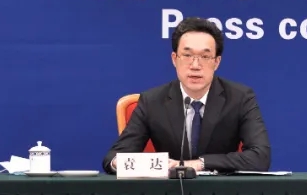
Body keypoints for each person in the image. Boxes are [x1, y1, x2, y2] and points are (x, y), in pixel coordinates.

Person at [102, 17, 271, 174]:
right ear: (174, 59)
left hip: (221, 192)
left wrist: (199, 164)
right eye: (187, 55)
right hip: (168, 192)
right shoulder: (152, 101)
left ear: (216, 62)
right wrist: (133, 164)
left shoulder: (240, 98)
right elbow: (113, 158)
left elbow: (260, 157)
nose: (195, 65)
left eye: (205, 56)